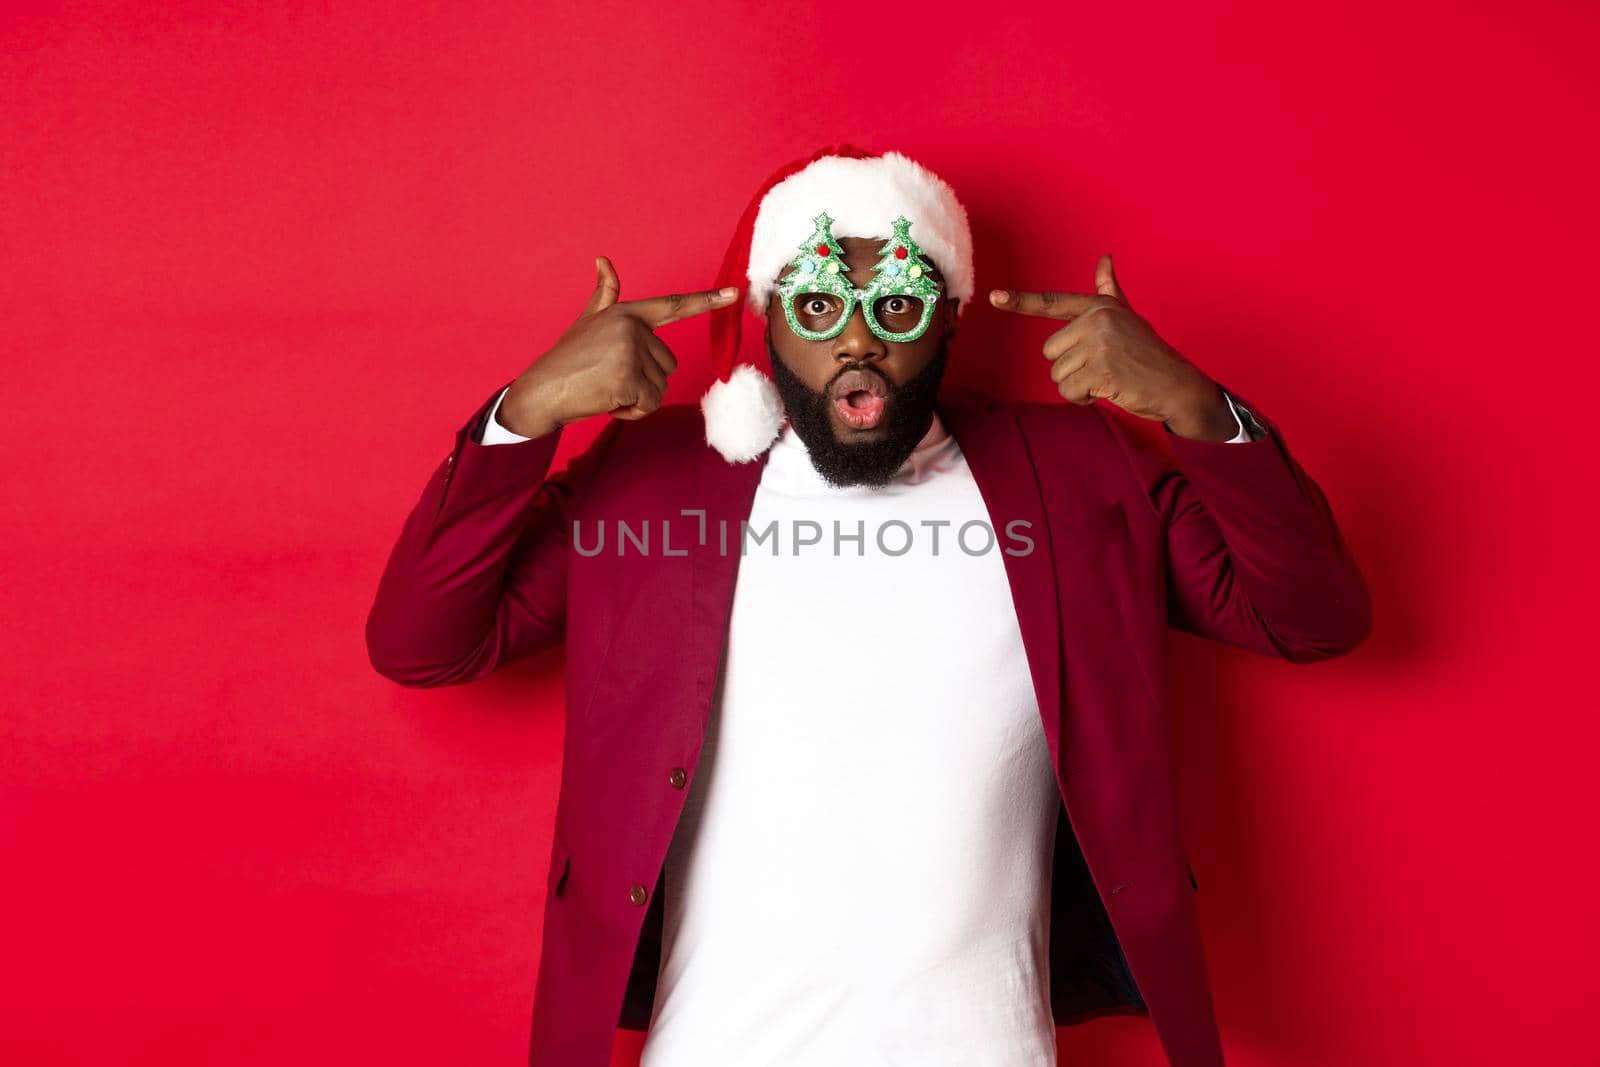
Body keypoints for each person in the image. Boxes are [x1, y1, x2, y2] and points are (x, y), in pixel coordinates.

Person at [365, 145, 1372, 1067]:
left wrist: (1192, 408)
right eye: (817, 305)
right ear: (767, 317)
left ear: (945, 316)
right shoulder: (655, 482)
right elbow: (424, 642)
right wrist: (525, 414)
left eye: (896, 306)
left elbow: (1310, 617)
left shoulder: (1075, 472)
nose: (857, 338)